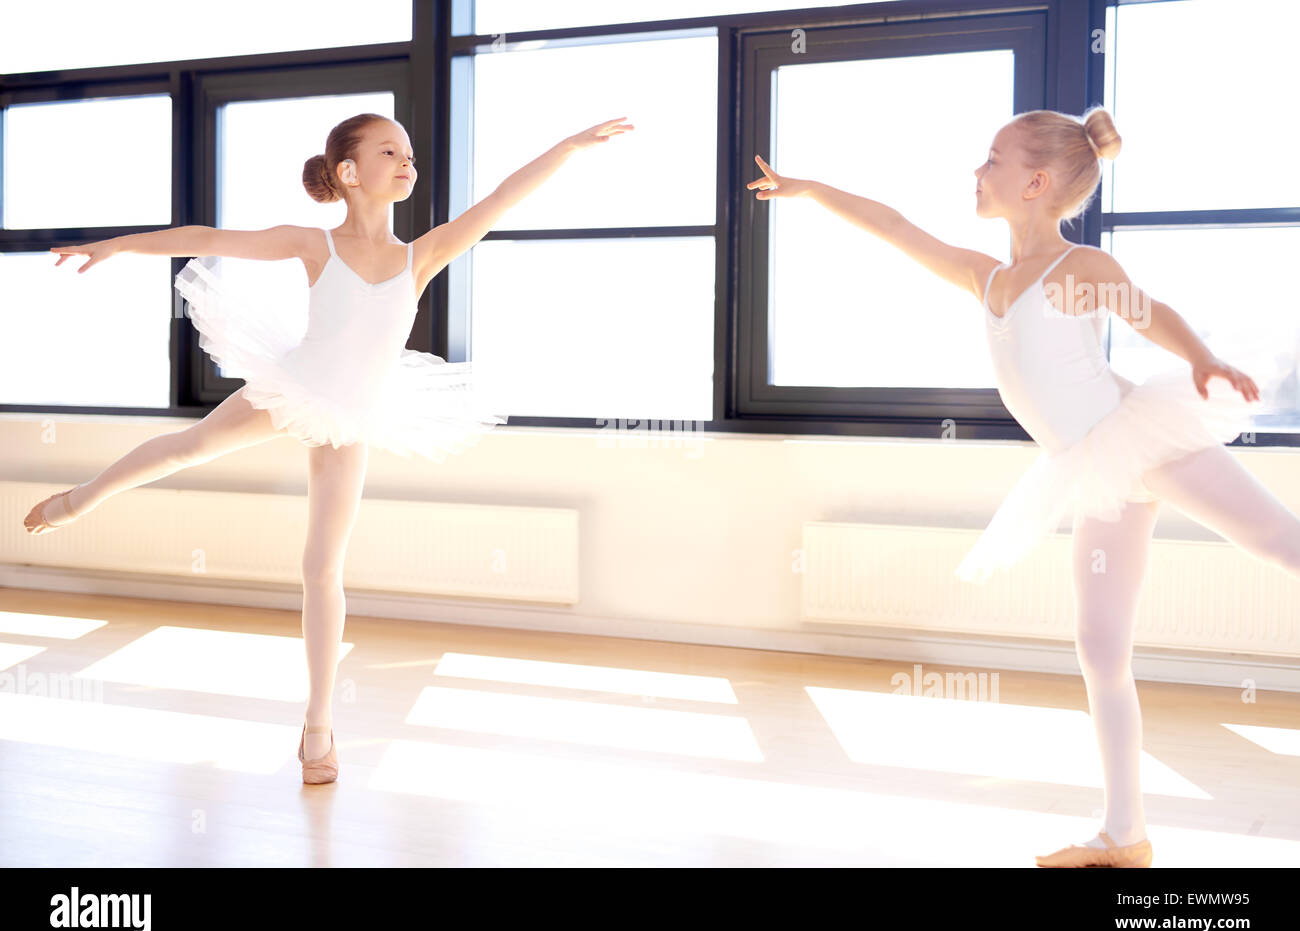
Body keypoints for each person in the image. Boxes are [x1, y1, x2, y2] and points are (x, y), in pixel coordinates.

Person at [748, 106, 1300, 867]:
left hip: (1140, 433)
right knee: (1101, 648)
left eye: (993, 159)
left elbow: (1150, 312)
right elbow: (897, 227)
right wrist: (811, 189)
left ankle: (1122, 829)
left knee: (1281, 542)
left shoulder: (1078, 270)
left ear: (1036, 183)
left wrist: (1202, 359)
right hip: (1095, 466)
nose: (978, 170)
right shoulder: (989, 277)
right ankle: (1124, 833)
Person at [25, 112, 634, 784]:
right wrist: (117, 246)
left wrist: (570, 146)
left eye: (409, 151)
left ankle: (319, 726)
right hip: (296, 386)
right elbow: (209, 237)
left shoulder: (420, 253)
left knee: (322, 567)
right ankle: (78, 502)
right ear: (348, 173)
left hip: (354, 415)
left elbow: (500, 198)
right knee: (188, 447)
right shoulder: (314, 244)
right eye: (390, 152)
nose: (408, 161)